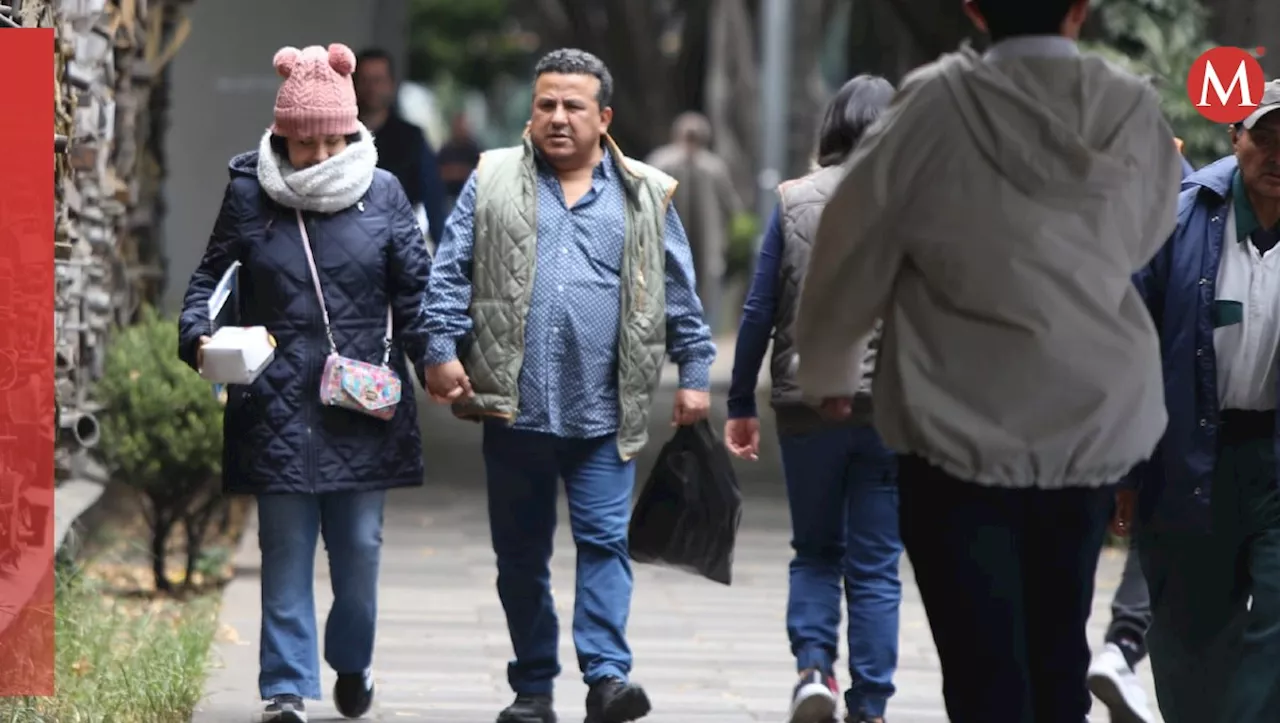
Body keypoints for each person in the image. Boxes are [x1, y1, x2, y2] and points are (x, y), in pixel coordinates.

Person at [791, 1, 1183, 721]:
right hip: (1087, 422)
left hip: (952, 420)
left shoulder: (933, 102)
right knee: (1058, 643)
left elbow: (852, 237)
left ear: (973, 9)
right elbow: (1150, 227)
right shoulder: (1126, 104)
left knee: (979, 656)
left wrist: (828, 369)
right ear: (1081, 8)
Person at [421, 48, 716, 723]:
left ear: (602, 116)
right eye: (545, 104)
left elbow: (679, 293)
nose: (556, 117)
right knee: (519, 556)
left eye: (572, 105)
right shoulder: (491, 177)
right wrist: (439, 349)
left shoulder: (644, 191)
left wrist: (695, 375)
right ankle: (532, 687)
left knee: (605, 541)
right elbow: (450, 268)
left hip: (604, 410)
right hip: (512, 406)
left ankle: (608, 676)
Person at [177, 43, 433, 723]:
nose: (317, 156)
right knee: (284, 548)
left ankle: (352, 661)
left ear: (351, 131)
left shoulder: (382, 193)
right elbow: (209, 281)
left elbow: (414, 295)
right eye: (302, 142)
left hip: (359, 402)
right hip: (275, 403)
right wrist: (197, 338)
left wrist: (439, 361)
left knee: (359, 554)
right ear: (280, 135)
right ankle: (285, 688)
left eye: (330, 140)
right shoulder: (249, 190)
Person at [724, 75, 899, 723]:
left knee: (817, 549)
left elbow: (758, 310)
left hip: (806, 404)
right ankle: (871, 706)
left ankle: (813, 671)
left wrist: (740, 400)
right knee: (877, 563)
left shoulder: (794, 201)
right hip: (888, 412)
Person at [1113, 78, 1280, 723]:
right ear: (1235, 139)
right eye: (1264, 137)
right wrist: (1124, 472)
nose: (1277, 154)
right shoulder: (1177, 220)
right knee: (1187, 639)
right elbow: (1128, 347)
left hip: (1273, 458)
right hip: (1186, 457)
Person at [1085, 136, 1196, 723]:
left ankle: (1084, 664)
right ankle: (1123, 647)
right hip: (1150, 395)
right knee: (1156, 525)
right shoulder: (1190, 199)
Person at [646, 111, 743, 333]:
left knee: (703, 286)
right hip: (666, 238)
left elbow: (731, 205)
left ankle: (698, 332)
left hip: (706, 241)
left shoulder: (713, 167)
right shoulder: (662, 162)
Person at [353, 47, 446, 246]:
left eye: (378, 80)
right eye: (365, 80)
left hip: (395, 243)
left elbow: (433, 198)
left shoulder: (411, 137)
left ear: (391, 84)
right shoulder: (338, 137)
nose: (372, 88)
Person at [438, 112, 483, 207]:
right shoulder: (446, 150)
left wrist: (458, 171)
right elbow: (438, 172)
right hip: (449, 198)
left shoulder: (473, 149)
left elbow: (480, 171)